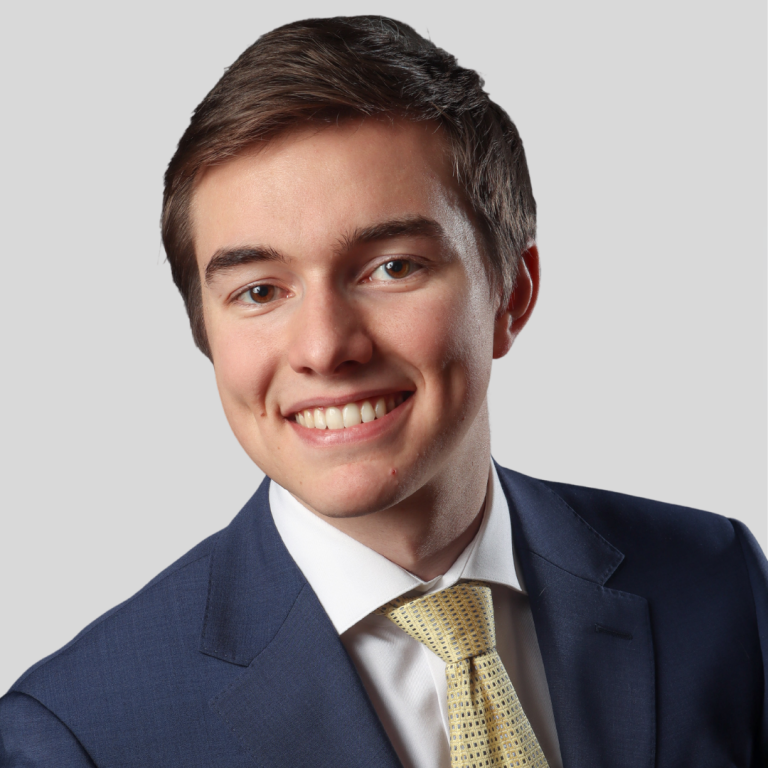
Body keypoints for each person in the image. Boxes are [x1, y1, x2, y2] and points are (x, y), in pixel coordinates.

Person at [0, 14, 765, 768]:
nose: (325, 348)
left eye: (392, 268)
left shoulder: (718, 582)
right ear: (205, 333)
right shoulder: (77, 736)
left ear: (513, 293)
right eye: (260, 291)